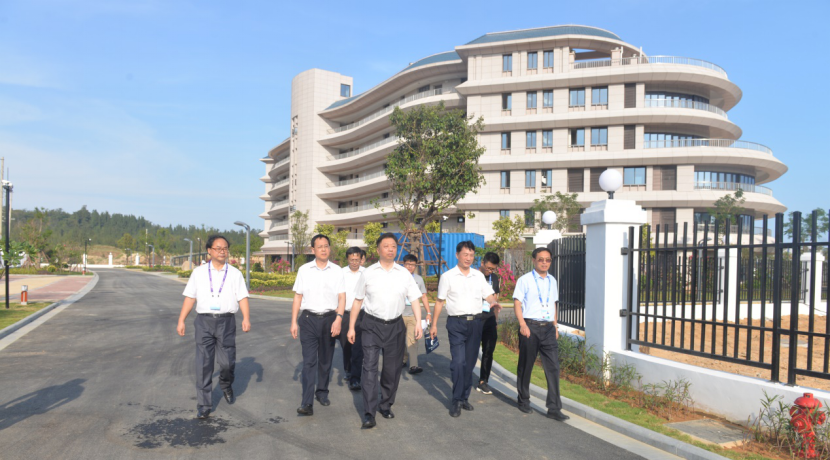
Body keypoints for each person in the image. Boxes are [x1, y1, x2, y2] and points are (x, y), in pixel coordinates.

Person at [348, 233, 423, 429]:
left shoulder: (404, 273)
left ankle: (386, 404)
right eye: (386, 246)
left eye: (393, 246)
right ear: (378, 249)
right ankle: (369, 413)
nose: (390, 249)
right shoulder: (368, 273)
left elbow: (415, 299)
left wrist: (418, 323)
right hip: (371, 325)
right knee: (369, 369)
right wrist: (351, 327)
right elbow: (357, 301)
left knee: (392, 369)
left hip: (395, 327)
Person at [177, 234, 251, 419]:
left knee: (227, 362)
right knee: (204, 364)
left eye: (225, 248)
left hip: (226, 321)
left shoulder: (235, 273)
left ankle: (226, 384)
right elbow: (190, 297)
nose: (222, 251)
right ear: (209, 251)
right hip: (204, 321)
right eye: (218, 248)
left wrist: (246, 318)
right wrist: (181, 320)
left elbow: (242, 297)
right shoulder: (199, 273)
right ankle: (204, 405)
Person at [430, 241, 501, 418]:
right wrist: (433, 325)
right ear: (457, 255)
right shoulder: (447, 276)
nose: (468, 258)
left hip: (476, 323)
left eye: (471, 255)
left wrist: (493, 302)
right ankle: (456, 400)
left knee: (469, 363)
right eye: (465, 254)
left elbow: (488, 294)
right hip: (456, 323)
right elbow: (439, 301)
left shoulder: (478, 276)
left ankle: (464, 397)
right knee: (458, 362)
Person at [290, 234, 346, 416]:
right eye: (319, 246)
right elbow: (298, 296)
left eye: (326, 246)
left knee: (325, 360)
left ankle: (322, 392)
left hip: (330, 319)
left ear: (329, 248)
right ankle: (306, 403)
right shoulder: (304, 270)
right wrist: (293, 321)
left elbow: (342, 297)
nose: (323, 249)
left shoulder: (337, 270)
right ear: (312, 250)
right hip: (308, 320)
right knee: (309, 362)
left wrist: (338, 319)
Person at [513, 247, 569, 422]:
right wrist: (522, 324)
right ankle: (523, 400)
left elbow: (553, 304)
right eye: (541, 259)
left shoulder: (553, 280)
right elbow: (517, 303)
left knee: (553, 367)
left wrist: (555, 325)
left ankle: (554, 408)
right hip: (530, 326)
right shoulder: (525, 280)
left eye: (548, 260)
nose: (544, 263)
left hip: (548, 329)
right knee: (526, 365)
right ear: (534, 260)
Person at [339, 246, 366, 391]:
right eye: (352, 260)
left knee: (358, 347)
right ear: (347, 259)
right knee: (346, 345)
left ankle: (356, 378)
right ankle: (348, 369)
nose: (355, 262)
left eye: (357, 259)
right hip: (345, 314)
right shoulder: (341, 273)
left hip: (362, 314)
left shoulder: (367, 273)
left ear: (361, 259)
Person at [401, 254, 431, 375]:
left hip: (413, 315)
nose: (410, 267)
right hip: (399, 314)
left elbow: (423, 296)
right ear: (403, 264)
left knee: (412, 340)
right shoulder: (398, 277)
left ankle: (413, 365)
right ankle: (402, 360)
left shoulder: (418, 279)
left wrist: (428, 312)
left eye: (412, 264)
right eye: (407, 264)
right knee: (400, 340)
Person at [477, 252, 501, 395]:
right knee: (471, 350)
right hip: (475, 318)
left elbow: (495, 299)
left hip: (489, 318)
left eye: (493, 269)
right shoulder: (473, 276)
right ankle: (464, 377)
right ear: (482, 263)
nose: (490, 271)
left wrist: (496, 320)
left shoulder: (495, 278)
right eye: (488, 268)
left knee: (488, 350)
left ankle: (483, 381)